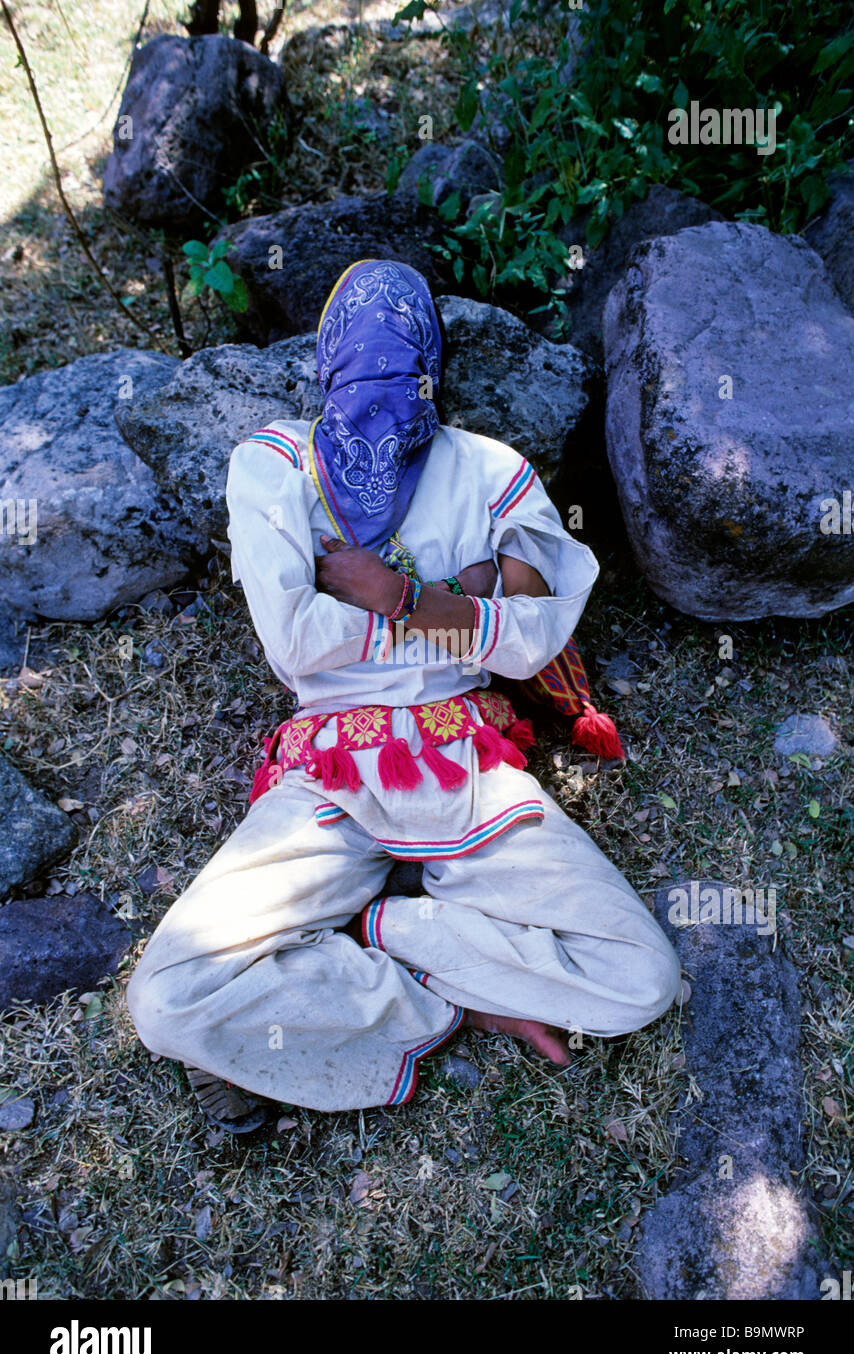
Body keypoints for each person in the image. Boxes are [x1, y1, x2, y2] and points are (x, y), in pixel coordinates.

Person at [126, 258, 680, 1129]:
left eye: (402, 361)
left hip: (463, 759)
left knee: (641, 978)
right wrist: (462, 603)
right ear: (325, 362)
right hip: (329, 770)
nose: (380, 385)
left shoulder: (490, 470)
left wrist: (394, 596)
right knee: (165, 995)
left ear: (433, 365)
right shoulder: (271, 467)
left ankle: (370, 936)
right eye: (359, 361)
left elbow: (535, 637)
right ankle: (448, 996)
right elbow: (294, 639)